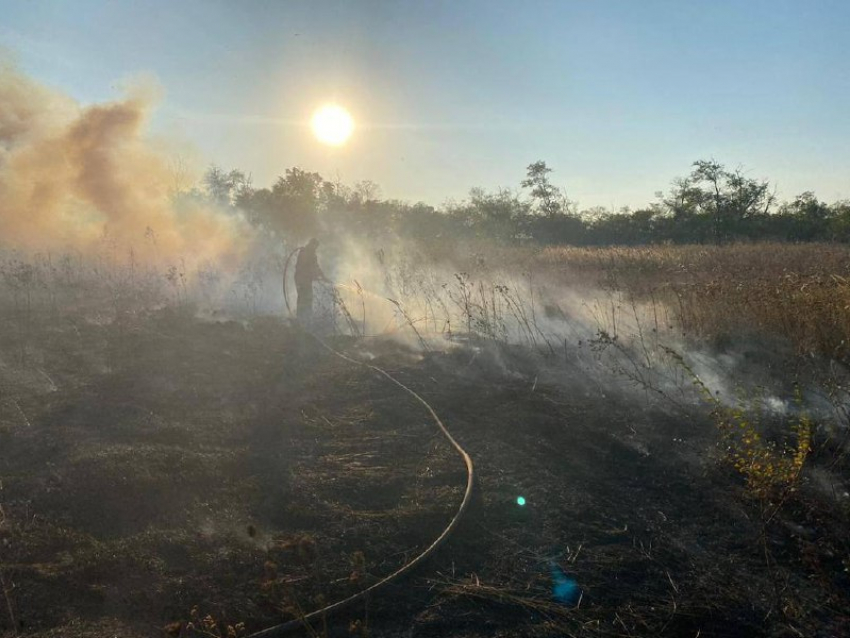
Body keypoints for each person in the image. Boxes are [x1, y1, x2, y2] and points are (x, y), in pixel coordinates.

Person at [294, 238, 328, 324]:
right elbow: (307, 267)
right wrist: (317, 276)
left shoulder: (307, 253)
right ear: (312, 245)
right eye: (315, 246)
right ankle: (303, 318)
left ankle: (303, 317)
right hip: (302, 280)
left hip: (302, 279)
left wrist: (323, 277)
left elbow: (315, 267)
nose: (316, 248)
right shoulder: (307, 253)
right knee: (305, 298)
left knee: (304, 298)